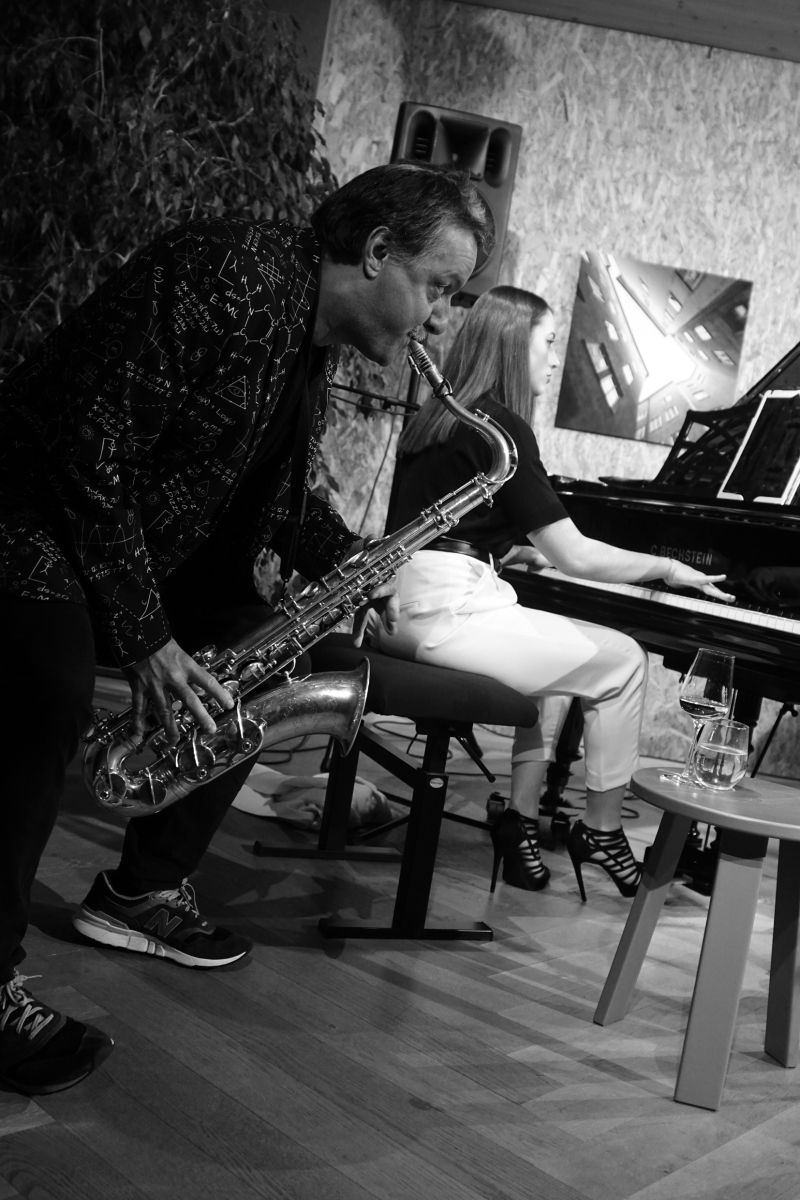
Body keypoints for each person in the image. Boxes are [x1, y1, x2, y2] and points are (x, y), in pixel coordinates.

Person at [0, 162, 492, 1095]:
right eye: (440, 287)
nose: (439, 320)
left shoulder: (306, 337)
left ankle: (141, 891)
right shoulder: (225, 273)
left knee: (278, 651)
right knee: (48, 684)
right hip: (29, 525)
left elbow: (263, 492)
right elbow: (86, 452)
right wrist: (148, 637)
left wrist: (357, 562)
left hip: (123, 542)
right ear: (376, 251)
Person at [372, 285, 733, 900]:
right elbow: (577, 555)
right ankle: (602, 828)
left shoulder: (434, 420)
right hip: (448, 616)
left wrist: (510, 551)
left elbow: (436, 533)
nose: (555, 358)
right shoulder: (503, 429)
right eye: (548, 342)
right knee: (623, 661)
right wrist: (666, 568)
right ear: (517, 345)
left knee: (548, 662)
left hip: (399, 610)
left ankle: (518, 820)